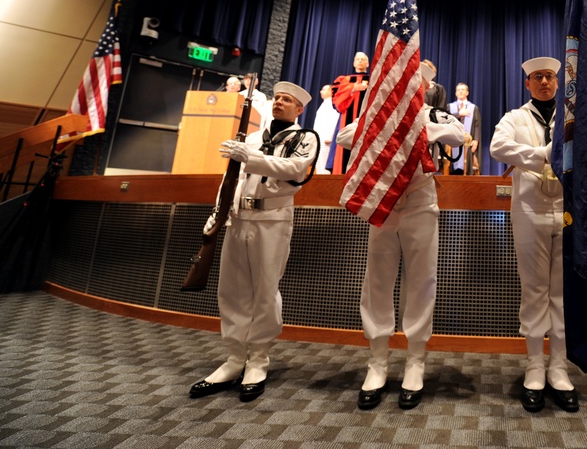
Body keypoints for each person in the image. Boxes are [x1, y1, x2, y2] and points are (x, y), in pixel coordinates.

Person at [339, 62, 465, 411]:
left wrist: (418, 128)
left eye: (420, 84)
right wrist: (385, 124)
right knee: (377, 281)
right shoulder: (382, 114)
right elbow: (345, 136)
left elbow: (458, 135)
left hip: (421, 201)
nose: (414, 89)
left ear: (426, 88)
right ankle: (377, 362)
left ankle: (415, 360)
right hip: (385, 201)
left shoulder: (433, 115)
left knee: (421, 281)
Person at [189, 81, 318, 402]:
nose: (279, 103)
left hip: (272, 220)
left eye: (287, 100)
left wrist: (250, 155)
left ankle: (258, 360)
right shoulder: (253, 137)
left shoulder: (305, 138)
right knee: (231, 290)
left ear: (299, 109)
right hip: (238, 218)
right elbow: (230, 178)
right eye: (277, 98)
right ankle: (234, 359)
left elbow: (295, 169)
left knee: (264, 289)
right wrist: (218, 213)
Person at [489, 57, 578, 414]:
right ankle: (534, 366)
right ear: (528, 84)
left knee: (561, 291)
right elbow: (499, 148)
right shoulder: (514, 117)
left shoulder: (573, 119)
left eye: (550, 76)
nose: (544, 82)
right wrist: (545, 154)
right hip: (529, 212)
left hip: (568, 211)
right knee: (534, 289)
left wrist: (548, 155)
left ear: (558, 81)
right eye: (537, 77)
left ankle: (558, 366)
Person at [329, 52, 370, 173]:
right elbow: (337, 103)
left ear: (368, 63)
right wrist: (353, 88)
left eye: (363, 59)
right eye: (358, 59)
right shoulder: (344, 80)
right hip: (347, 120)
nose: (360, 61)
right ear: (353, 63)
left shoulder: (374, 79)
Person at [448, 82, 481, 174]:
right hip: (452, 141)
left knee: (467, 168)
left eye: (463, 89)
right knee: (453, 168)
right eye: (458, 90)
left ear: (467, 92)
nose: (460, 91)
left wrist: (476, 140)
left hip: (468, 141)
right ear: (455, 93)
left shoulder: (473, 108)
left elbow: (477, 124)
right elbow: (446, 119)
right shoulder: (450, 107)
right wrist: (459, 114)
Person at [313, 84, 339, 174]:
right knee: (319, 162)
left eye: (324, 90)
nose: (321, 92)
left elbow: (334, 120)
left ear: (331, 92)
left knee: (324, 162)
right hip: (320, 138)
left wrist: (330, 136)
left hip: (326, 140)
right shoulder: (325, 103)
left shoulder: (332, 104)